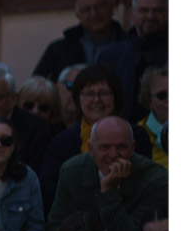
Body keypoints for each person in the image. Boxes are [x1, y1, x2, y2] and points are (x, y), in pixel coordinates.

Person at [46, 117, 167, 231]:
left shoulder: (155, 179)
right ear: (91, 149)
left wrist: (109, 191)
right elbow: (55, 228)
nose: (113, 154)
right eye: (105, 147)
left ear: (132, 148)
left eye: (121, 147)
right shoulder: (72, 171)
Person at [38, 64, 150, 207]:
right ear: (78, 98)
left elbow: (142, 185)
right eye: (89, 94)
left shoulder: (136, 135)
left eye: (104, 93)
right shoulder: (63, 142)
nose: (96, 100)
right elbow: (48, 190)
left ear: (116, 97)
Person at [96, 0, 165, 118]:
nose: (151, 16)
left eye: (158, 10)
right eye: (144, 10)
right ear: (132, 14)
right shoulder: (110, 55)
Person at [33, 0, 124, 80]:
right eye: (87, 9)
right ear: (78, 16)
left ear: (111, 9)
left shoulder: (128, 46)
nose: (94, 13)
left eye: (99, 7)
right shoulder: (58, 49)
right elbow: (36, 84)